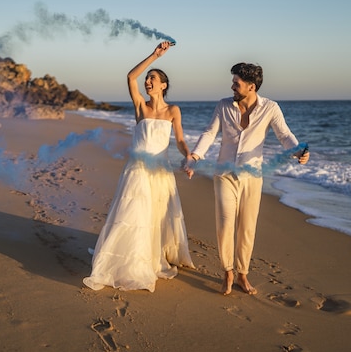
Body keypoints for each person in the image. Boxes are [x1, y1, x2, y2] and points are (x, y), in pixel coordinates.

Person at [184, 62, 309, 296]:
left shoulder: (270, 107)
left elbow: (284, 135)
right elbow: (210, 133)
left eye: (237, 83)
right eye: (233, 81)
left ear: (251, 86)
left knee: (247, 227)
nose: (232, 85)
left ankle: (242, 274)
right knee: (225, 223)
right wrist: (195, 156)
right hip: (224, 174)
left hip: (252, 177)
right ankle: (228, 272)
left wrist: (299, 151)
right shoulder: (223, 106)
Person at [83, 42, 194, 292]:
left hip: (161, 171)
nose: (147, 81)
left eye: (152, 78)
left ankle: (153, 256)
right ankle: (128, 262)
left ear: (163, 85)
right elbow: (130, 76)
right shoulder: (140, 107)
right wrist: (154, 56)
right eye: (147, 79)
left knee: (157, 216)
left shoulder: (173, 110)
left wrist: (188, 157)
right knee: (133, 214)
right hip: (137, 170)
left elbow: (179, 140)